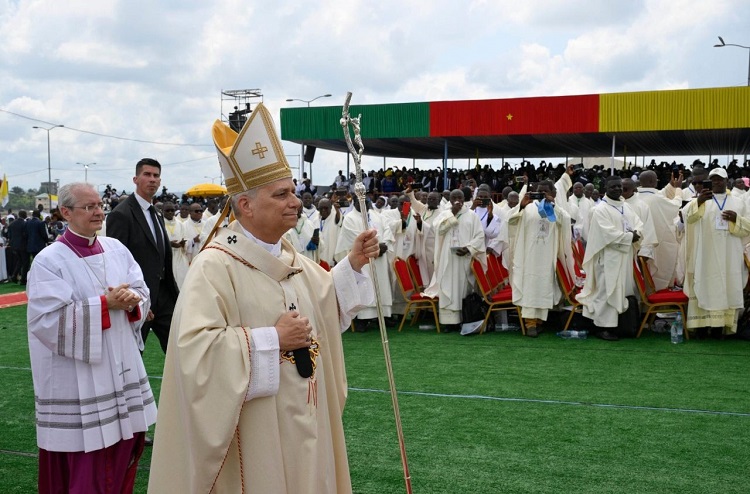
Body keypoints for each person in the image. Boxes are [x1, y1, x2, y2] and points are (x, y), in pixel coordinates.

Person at [149, 104, 381, 494]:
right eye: (282, 194)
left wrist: (353, 264)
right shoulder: (215, 266)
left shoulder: (292, 258)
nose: (296, 201)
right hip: (255, 433)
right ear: (246, 205)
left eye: (293, 192)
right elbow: (194, 353)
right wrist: (272, 339)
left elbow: (325, 303)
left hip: (305, 417)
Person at [26, 182, 156, 493]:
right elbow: (46, 321)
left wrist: (133, 300)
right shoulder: (49, 260)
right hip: (78, 378)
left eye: (99, 205)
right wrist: (104, 305)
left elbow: (141, 290)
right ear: (66, 212)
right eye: (89, 207)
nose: (98, 212)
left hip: (120, 365)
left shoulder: (116, 248)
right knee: (87, 461)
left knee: (123, 449)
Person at [105, 158, 179, 353]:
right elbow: (116, 262)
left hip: (164, 296)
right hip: (139, 297)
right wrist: (136, 301)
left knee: (180, 350)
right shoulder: (121, 214)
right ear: (135, 179)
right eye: (147, 174)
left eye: (156, 176)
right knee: (132, 355)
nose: (152, 179)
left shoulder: (156, 213)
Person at [684, 167, 750, 337]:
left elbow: (748, 227)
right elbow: (687, 218)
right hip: (706, 253)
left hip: (730, 253)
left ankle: (720, 328)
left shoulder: (738, 202)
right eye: (713, 179)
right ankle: (702, 327)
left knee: (728, 284)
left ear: (727, 181)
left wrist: (736, 219)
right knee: (705, 283)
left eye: (720, 179)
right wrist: (698, 202)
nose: (716, 182)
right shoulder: (701, 200)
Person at [578, 176, 643, 341]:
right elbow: (607, 233)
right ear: (605, 188)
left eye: (619, 186)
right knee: (605, 292)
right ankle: (603, 327)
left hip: (624, 257)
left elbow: (638, 223)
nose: (617, 189)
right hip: (607, 258)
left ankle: (619, 325)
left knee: (621, 290)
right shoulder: (600, 209)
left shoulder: (625, 207)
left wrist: (637, 233)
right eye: (613, 186)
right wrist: (630, 237)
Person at [508, 180, 574, 337]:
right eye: (540, 191)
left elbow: (565, 220)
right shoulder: (528, 207)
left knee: (543, 286)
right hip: (529, 256)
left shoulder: (554, 208)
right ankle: (530, 323)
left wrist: (553, 205)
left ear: (552, 193)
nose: (543, 194)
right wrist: (521, 206)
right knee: (530, 287)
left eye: (546, 191)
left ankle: (539, 322)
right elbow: (510, 221)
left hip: (547, 256)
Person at [422, 189, 485, 332]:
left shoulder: (472, 215)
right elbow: (439, 230)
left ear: (464, 199)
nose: (457, 200)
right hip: (447, 258)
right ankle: (449, 322)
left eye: (460, 197)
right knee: (447, 287)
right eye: (454, 197)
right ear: (449, 200)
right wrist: (453, 214)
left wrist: (469, 248)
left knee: (462, 289)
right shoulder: (444, 214)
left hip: (464, 258)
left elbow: (480, 236)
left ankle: (464, 319)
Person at [161, 201, 190, 288]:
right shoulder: (160, 223)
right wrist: (169, 244)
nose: (170, 212)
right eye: (167, 210)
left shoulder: (180, 224)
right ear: (162, 211)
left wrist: (183, 243)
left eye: (172, 210)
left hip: (179, 256)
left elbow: (186, 238)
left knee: (182, 282)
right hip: (166, 257)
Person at [7, 209, 28, 284]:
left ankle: (14, 275)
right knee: (25, 262)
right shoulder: (25, 224)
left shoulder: (11, 224)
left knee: (20, 261)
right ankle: (23, 279)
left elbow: (9, 236)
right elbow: (26, 235)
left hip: (14, 246)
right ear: (24, 215)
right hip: (23, 245)